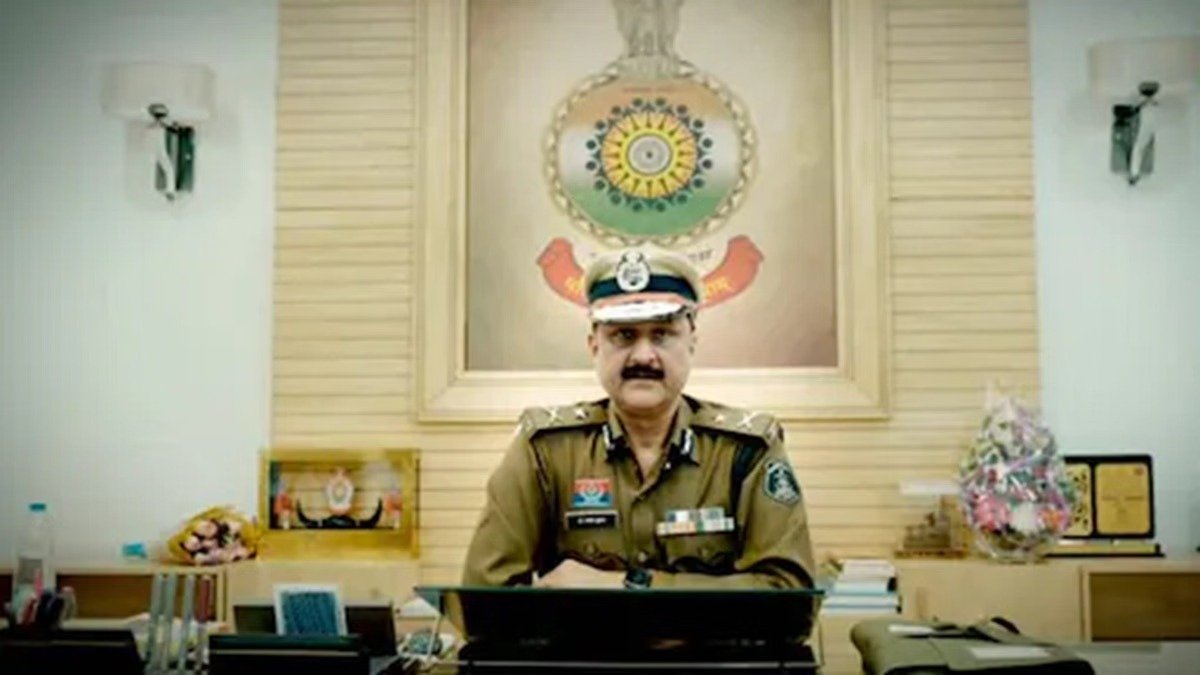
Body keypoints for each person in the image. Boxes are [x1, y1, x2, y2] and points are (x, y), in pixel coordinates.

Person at [462, 248, 815, 589]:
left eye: (662, 334)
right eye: (623, 335)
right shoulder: (544, 451)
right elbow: (485, 598)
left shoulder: (747, 452)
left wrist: (627, 585)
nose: (643, 356)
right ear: (594, 346)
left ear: (691, 342)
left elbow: (790, 597)